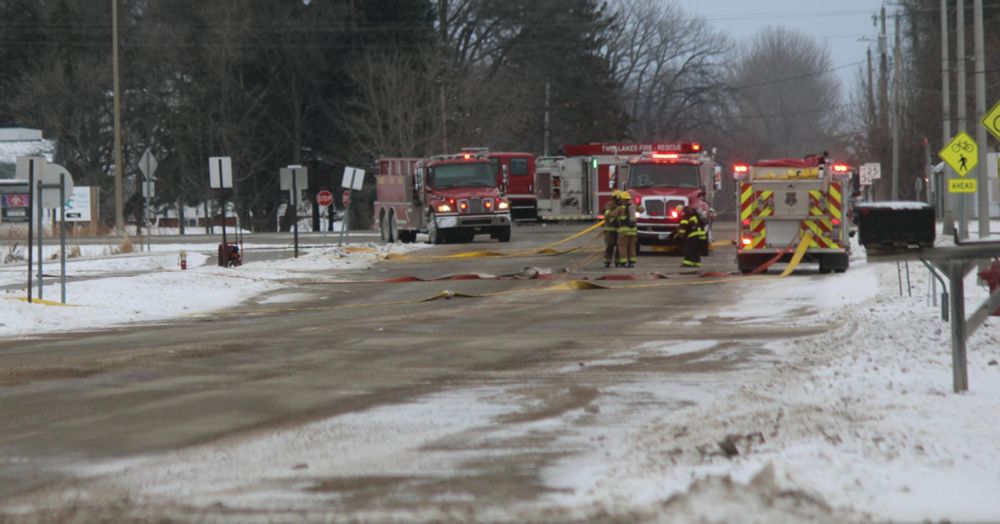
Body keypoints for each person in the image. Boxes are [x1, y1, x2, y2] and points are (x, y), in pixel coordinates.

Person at [616, 191, 639, 267]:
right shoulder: (632, 207)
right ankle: (631, 262)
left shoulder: (620, 208)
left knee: (622, 246)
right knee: (632, 246)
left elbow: (613, 215)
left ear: (623, 199)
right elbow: (640, 210)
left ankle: (624, 262)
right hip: (633, 230)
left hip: (624, 231)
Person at [602, 192, 621, 268]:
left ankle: (618, 262)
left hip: (619, 230)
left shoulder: (622, 205)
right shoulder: (609, 205)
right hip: (610, 230)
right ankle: (607, 261)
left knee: (619, 246)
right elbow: (606, 212)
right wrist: (613, 219)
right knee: (610, 246)